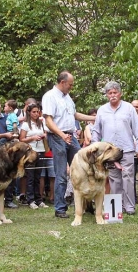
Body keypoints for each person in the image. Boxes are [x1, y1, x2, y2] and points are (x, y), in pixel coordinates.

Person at [42, 71, 95, 219]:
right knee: (61, 174)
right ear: (62, 82)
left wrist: (94, 118)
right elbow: (48, 121)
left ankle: (86, 204)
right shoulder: (49, 97)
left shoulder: (67, 97)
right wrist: (61, 135)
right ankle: (60, 208)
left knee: (84, 168)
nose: (71, 87)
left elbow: (75, 115)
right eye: (70, 84)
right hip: (58, 137)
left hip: (70, 136)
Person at [92, 81, 138, 215]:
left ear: (120, 93)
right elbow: (96, 131)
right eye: (110, 93)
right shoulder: (102, 110)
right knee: (114, 178)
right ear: (106, 95)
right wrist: (95, 147)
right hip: (109, 153)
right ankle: (117, 206)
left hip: (126, 148)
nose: (112, 95)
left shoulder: (129, 108)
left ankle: (130, 206)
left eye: (115, 92)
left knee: (128, 177)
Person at [19, 103, 49, 209]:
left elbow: (46, 133)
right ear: (29, 112)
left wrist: (44, 135)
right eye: (34, 112)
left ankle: (39, 199)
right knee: (30, 177)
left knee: (38, 177)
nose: (36, 114)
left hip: (40, 151)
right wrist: (32, 138)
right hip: (30, 153)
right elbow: (21, 139)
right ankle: (30, 200)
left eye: (37, 112)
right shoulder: (26, 124)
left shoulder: (41, 123)